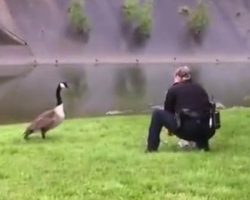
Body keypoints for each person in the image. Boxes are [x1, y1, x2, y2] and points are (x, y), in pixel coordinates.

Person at [146, 66, 216, 152]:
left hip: (188, 131)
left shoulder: (173, 90)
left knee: (157, 114)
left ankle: (151, 148)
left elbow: (168, 111)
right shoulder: (200, 88)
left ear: (178, 77)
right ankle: (203, 147)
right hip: (208, 130)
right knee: (198, 115)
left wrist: (170, 130)